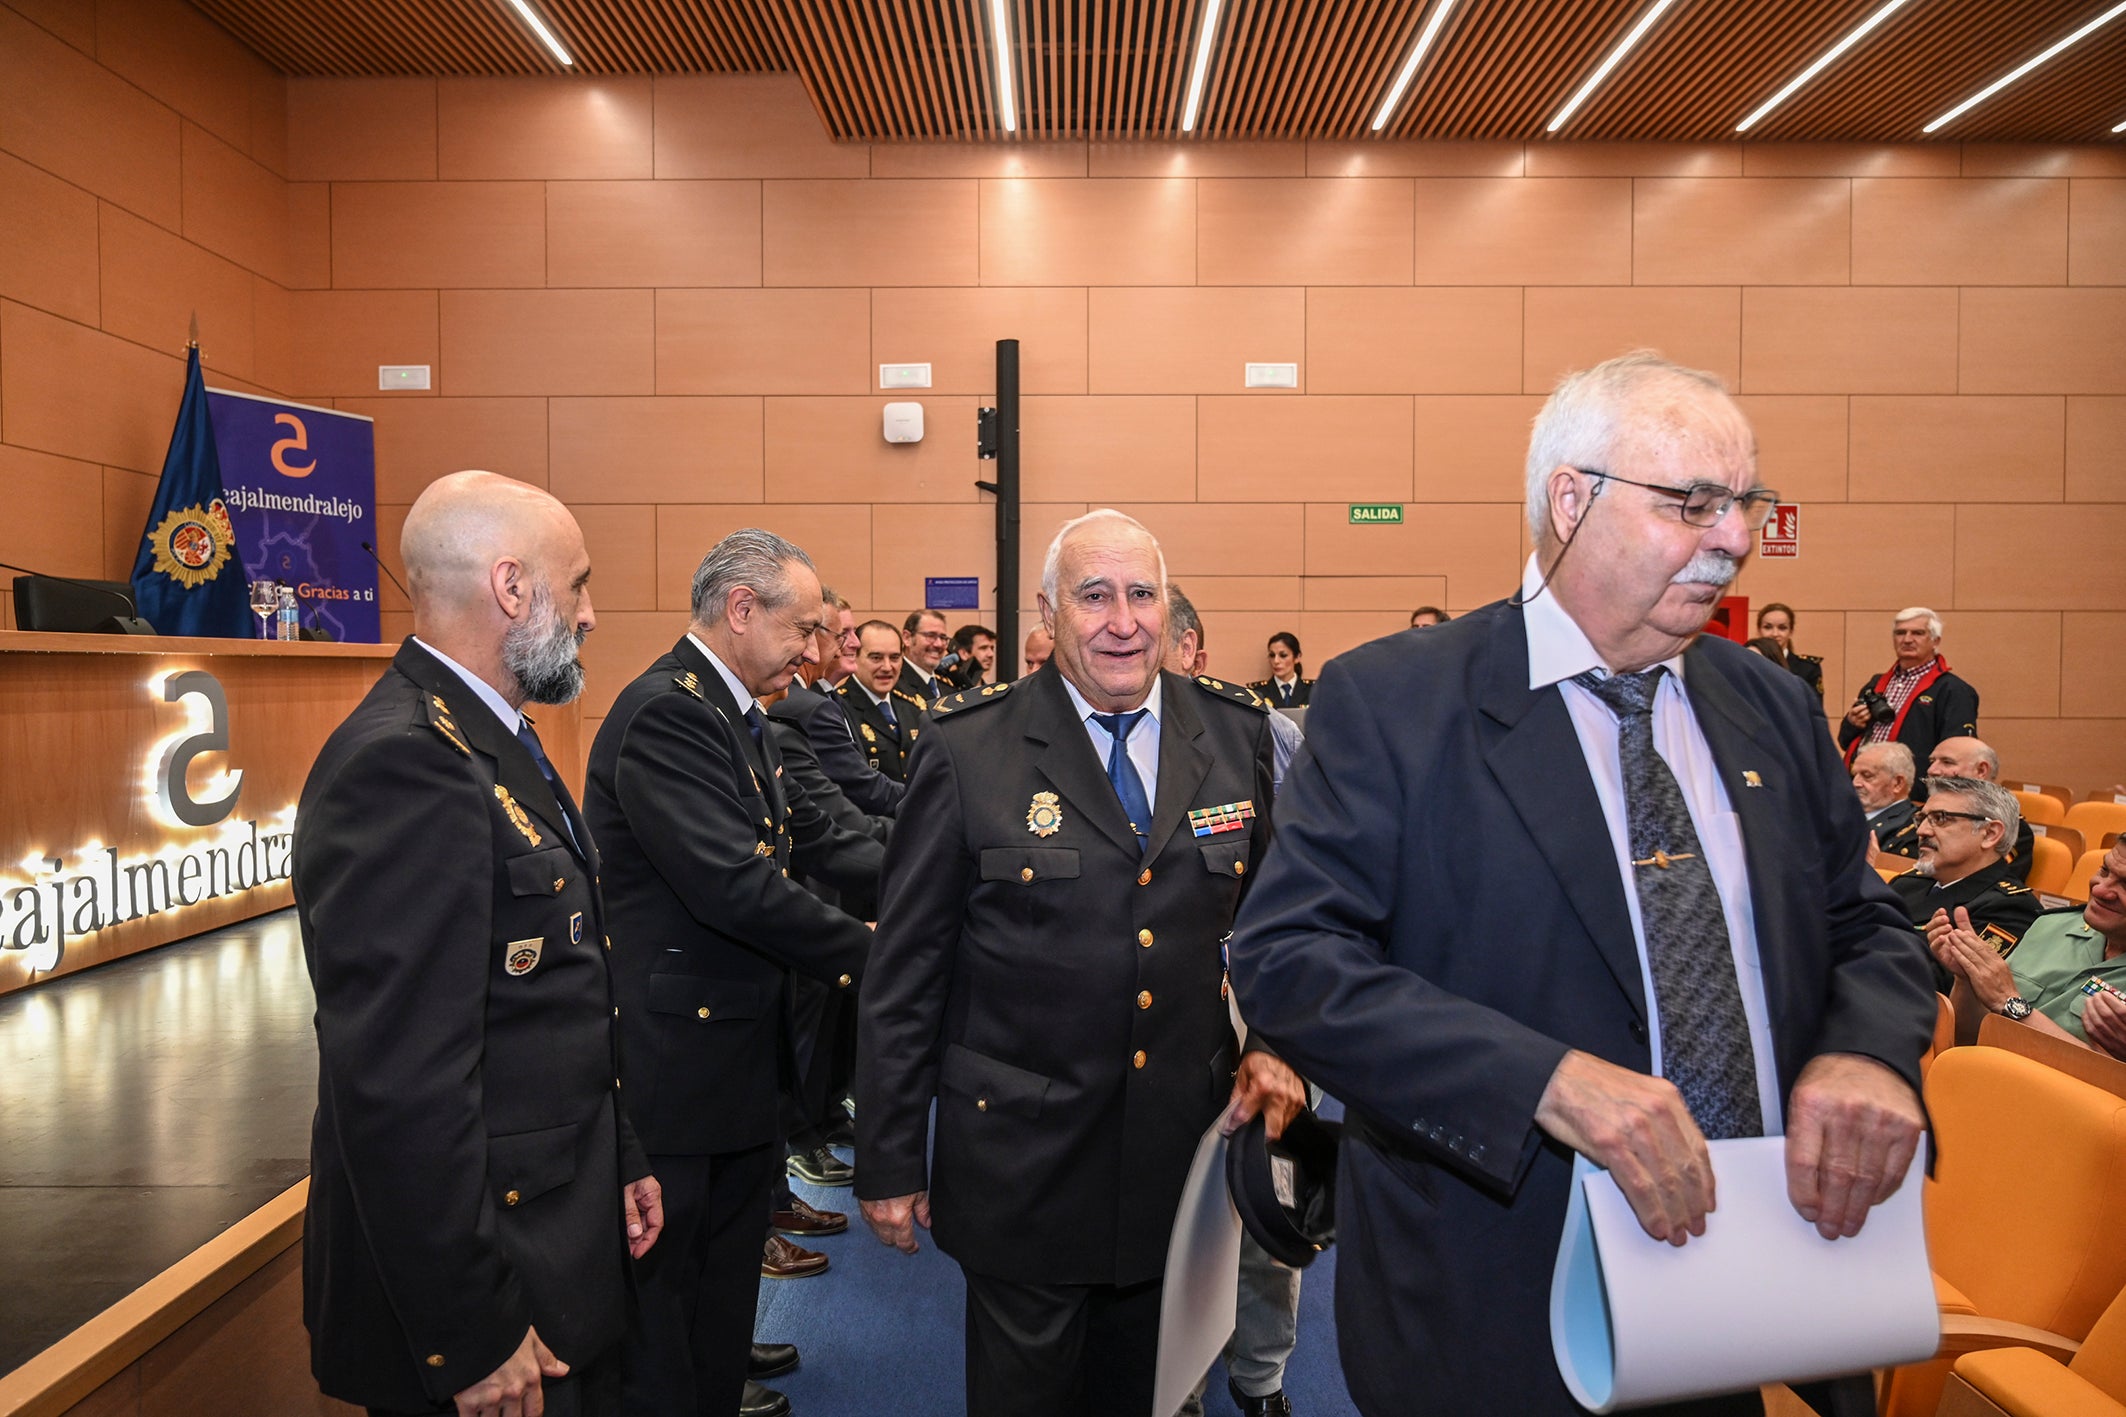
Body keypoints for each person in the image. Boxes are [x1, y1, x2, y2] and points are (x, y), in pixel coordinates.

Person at [1227, 352, 1936, 1417]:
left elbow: (1862, 922)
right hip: (1500, 1298)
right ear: (1570, 500)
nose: (1735, 537)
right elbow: (1288, 962)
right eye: (1690, 502)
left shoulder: (1771, 706)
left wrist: (1868, 1052)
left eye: (1742, 502)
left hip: (1769, 1277)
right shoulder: (1395, 701)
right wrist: (1544, 1079)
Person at [857, 509, 1306, 1417]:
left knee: (1148, 1396)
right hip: (1021, 1161)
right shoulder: (965, 747)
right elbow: (906, 973)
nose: (1122, 620)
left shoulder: (1231, 733)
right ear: (1049, 610)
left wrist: (1279, 1043)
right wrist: (890, 1157)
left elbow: (1279, 920)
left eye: (1142, 594)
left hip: (1175, 1156)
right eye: (1094, 596)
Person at [296, 470, 662, 1417]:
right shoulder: (408, 763)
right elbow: (400, 1087)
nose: (590, 613)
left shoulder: (494, 740)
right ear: (511, 588)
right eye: (576, 584)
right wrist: (469, 1331)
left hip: (554, 1235)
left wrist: (617, 1153)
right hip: (488, 1296)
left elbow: (563, 995)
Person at [584, 529, 880, 1417]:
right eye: (802, 629)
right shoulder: (669, 712)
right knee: (670, 1297)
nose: (815, 651)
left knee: (722, 1271)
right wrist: (883, 956)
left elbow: (818, 842)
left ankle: (720, 1377)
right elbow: (739, 888)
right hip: (678, 1065)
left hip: (734, 1053)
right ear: (741, 610)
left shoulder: (735, 713)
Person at [1166, 583, 1306, 1417]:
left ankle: (1260, 1380)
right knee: (1177, 1211)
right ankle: (1177, 1383)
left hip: (1260, 1004)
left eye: (1164, 645)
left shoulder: (1264, 733)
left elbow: (1298, 882)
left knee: (1266, 1201)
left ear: (1195, 652)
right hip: (1165, 1016)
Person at [1931, 841, 2126, 1055]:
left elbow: (2105, 1078)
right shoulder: (2052, 926)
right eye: (2104, 871)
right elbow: (1968, 1037)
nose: (2099, 889)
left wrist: (2012, 1005)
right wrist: (1967, 977)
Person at [1888, 777, 2041, 986]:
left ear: (1989, 833)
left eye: (1940, 818)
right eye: (1921, 819)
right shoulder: (1907, 883)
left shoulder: (2010, 907)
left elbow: (1950, 990)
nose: (1922, 830)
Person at [1839, 607, 1979, 770]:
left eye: (1917, 633)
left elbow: (1957, 754)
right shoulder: (1876, 684)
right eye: (1900, 633)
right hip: (1860, 781)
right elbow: (1844, 740)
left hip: (1913, 789)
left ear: (1935, 641)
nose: (1907, 639)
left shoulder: (1953, 690)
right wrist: (1852, 723)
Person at [1926, 736, 2034, 881]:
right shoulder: (1923, 814)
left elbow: (1986, 884)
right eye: (1932, 762)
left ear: (1981, 770)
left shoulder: (2011, 828)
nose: (1932, 770)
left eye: (1947, 762)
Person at [838, 620, 925, 783]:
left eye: (894, 658)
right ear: (854, 657)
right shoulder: (839, 707)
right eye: (876, 658)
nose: (887, 667)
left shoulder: (912, 707)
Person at [1853, 741, 1922, 860]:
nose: (1855, 783)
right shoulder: (1842, 813)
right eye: (1854, 775)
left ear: (1898, 783)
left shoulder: (1911, 826)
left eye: (1867, 775)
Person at [1754, 602, 1821, 698]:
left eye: (1782, 628)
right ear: (1759, 630)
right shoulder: (1749, 663)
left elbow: (1814, 709)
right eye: (1768, 627)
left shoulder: (1807, 668)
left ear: (1791, 632)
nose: (1775, 634)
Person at [898, 609, 951, 704]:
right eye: (930, 636)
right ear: (907, 638)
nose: (938, 644)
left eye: (943, 638)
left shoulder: (947, 687)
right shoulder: (894, 684)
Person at [1251, 632, 1311, 707]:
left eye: (1283, 655)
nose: (1276, 661)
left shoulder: (1313, 691)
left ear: (1297, 657)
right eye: (1272, 655)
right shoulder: (1258, 693)